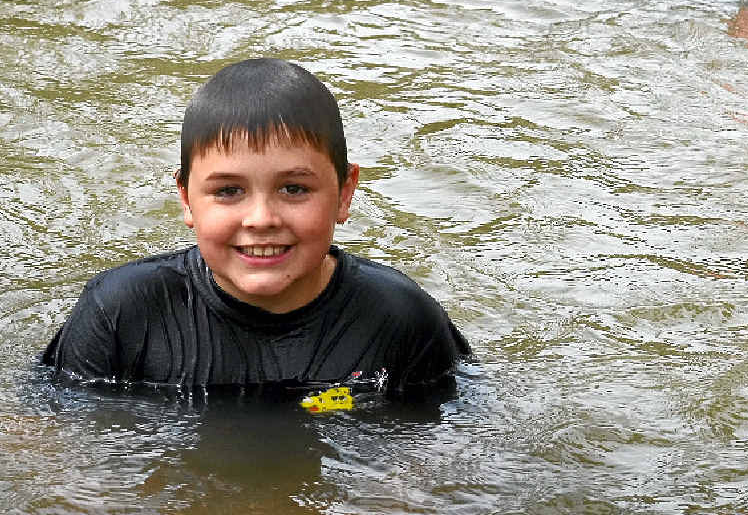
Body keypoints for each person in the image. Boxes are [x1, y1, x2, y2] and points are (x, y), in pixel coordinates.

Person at [43, 58, 471, 400]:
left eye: (294, 188)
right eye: (229, 191)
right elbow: (61, 446)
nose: (262, 218)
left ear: (344, 194)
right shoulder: (121, 313)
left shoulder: (402, 321)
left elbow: (447, 457)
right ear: (187, 198)